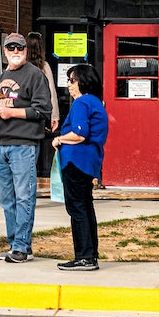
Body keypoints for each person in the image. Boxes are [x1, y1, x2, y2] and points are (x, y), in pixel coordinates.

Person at [0, 31, 52, 264]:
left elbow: (43, 110)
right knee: (7, 199)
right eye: (10, 48)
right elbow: (3, 109)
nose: (15, 52)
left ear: (25, 50)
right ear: (4, 51)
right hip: (2, 143)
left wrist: (10, 112)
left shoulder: (35, 75)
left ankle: (21, 247)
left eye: (19, 48)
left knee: (24, 197)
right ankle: (16, 245)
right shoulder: (3, 76)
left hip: (24, 145)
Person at [50, 63, 108, 271]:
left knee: (77, 208)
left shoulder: (82, 103)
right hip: (88, 163)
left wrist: (59, 140)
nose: (69, 85)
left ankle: (83, 256)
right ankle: (90, 254)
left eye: (72, 80)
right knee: (85, 206)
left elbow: (79, 133)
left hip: (76, 162)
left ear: (84, 82)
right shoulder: (96, 103)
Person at [26, 30, 60, 177]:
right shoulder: (44, 67)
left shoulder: (19, 65)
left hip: (22, 115)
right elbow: (51, 92)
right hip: (39, 114)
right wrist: (55, 116)